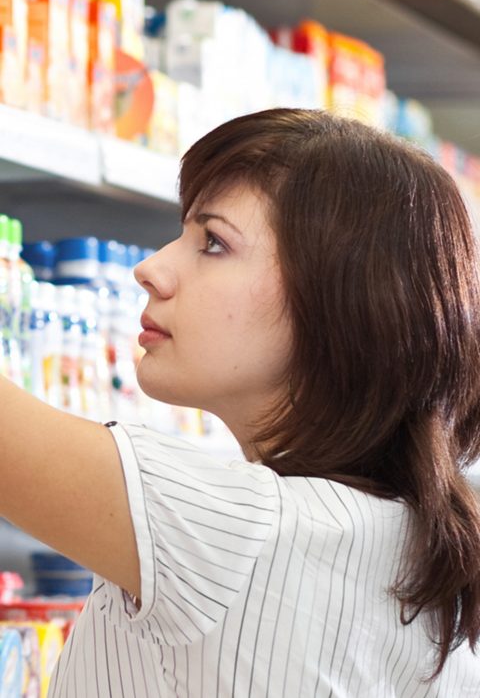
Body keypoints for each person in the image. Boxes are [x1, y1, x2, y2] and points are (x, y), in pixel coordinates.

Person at [0, 108, 479, 697]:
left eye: (214, 243)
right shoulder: (420, 543)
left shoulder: (237, 531)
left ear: (338, 306)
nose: (150, 269)